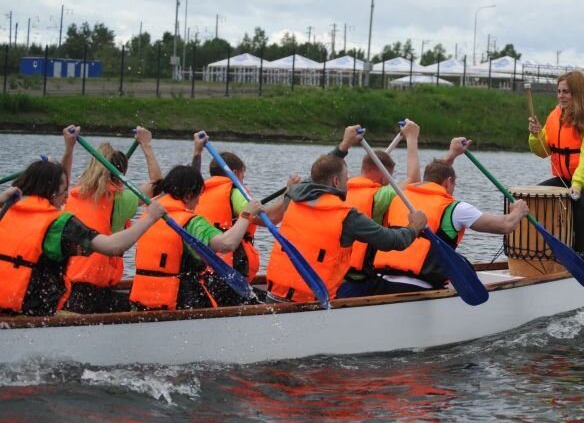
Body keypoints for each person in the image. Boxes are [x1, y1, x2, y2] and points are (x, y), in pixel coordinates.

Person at [0, 160, 165, 316]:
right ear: (52, 192)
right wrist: (150, 217)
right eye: (64, 190)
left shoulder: (7, 211)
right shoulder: (60, 224)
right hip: (32, 313)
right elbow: (113, 247)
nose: (66, 197)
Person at [265, 155, 427, 303]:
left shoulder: (292, 200)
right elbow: (393, 241)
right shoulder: (347, 217)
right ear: (336, 181)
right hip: (311, 302)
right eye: (346, 178)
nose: (348, 182)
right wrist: (415, 227)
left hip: (274, 295)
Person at [373, 140, 530, 294]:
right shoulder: (455, 208)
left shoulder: (399, 198)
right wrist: (519, 211)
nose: (453, 190)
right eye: (454, 185)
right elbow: (505, 225)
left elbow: (437, 174)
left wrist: (452, 155)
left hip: (381, 280)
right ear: (448, 182)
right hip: (420, 285)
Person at [129, 165, 262, 311]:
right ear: (187, 196)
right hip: (180, 303)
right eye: (199, 196)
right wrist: (246, 214)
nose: (198, 202)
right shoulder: (191, 223)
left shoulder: (149, 216)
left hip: (142, 302)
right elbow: (227, 244)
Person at [63, 126, 164, 313]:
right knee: (144, 307)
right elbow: (158, 185)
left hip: (66, 287)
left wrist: (69, 148)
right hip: (93, 293)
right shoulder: (119, 200)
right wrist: (146, 146)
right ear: (121, 175)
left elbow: (62, 177)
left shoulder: (72, 195)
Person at [191, 132, 298, 305]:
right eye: (243, 174)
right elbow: (270, 218)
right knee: (267, 304)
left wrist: (197, 153)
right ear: (234, 173)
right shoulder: (234, 193)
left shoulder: (196, 192)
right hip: (227, 274)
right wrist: (288, 193)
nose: (243, 179)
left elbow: (192, 173)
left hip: (206, 272)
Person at [527, 70, 584, 255]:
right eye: (559, 91)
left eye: (566, 92)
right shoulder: (556, 116)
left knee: (580, 202)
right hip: (567, 179)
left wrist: (577, 185)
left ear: (577, 92)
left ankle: (579, 254)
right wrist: (536, 134)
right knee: (533, 198)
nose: (561, 96)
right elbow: (542, 152)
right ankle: (539, 251)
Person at [337, 119, 422, 298]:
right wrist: (412, 138)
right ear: (381, 173)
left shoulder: (343, 188)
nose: (389, 181)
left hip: (335, 274)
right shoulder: (378, 196)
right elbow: (413, 178)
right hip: (356, 282)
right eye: (389, 177)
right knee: (405, 288)